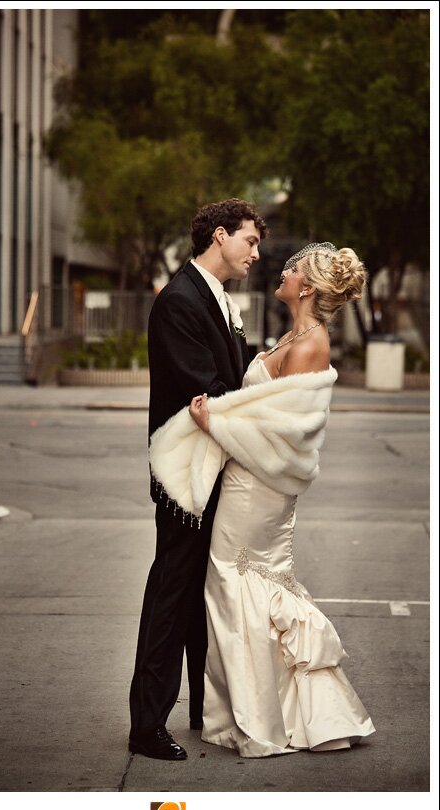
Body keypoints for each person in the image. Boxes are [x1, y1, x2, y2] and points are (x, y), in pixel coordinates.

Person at [150, 242, 375, 756]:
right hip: (244, 478)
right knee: (231, 590)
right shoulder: (291, 336)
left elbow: (285, 436)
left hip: (259, 487)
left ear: (308, 288)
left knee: (240, 588)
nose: (282, 270)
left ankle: (262, 717)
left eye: (293, 269)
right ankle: (243, 707)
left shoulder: (310, 344)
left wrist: (217, 424)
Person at [129, 199, 267, 761]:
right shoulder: (180, 301)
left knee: (196, 595)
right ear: (219, 236)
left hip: (211, 467)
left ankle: (198, 709)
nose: (256, 254)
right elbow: (207, 390)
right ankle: (146, 724)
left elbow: (231, 372)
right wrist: (271, 404)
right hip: (187, 471)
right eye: (250, 241)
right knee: (172, 591)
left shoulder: (213, 298)